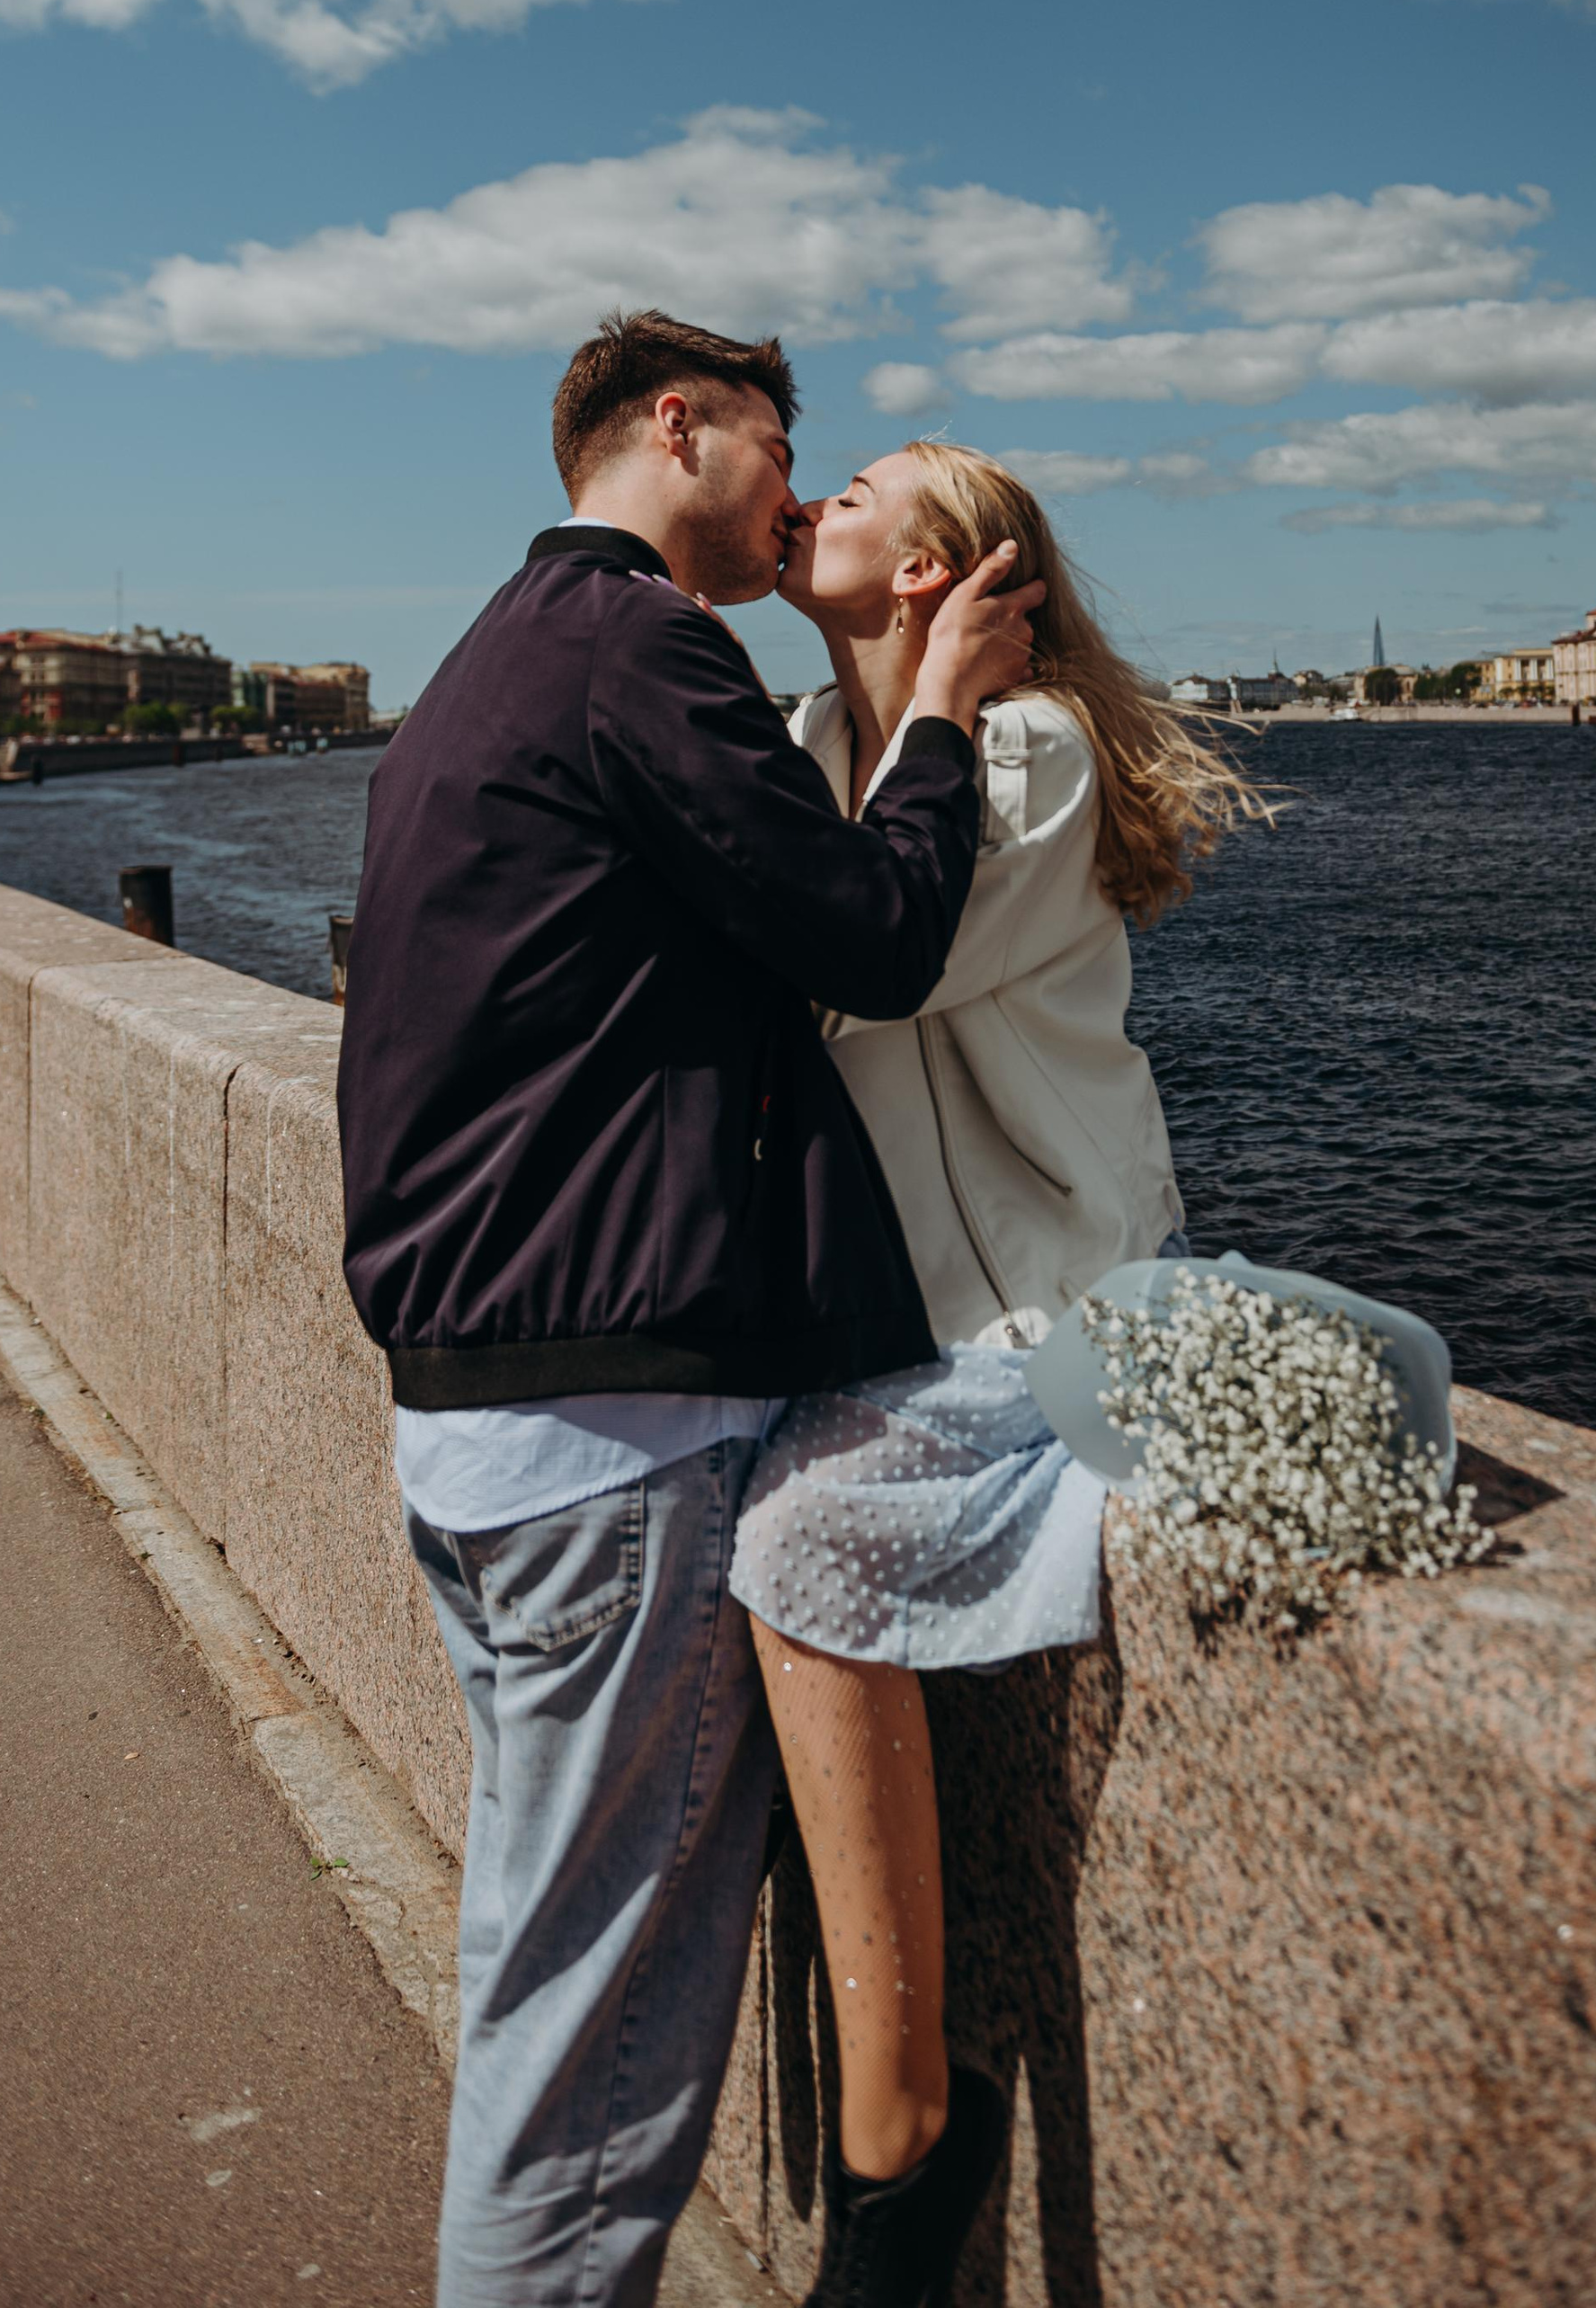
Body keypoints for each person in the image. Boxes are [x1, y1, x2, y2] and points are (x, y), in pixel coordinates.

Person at [335, 316, 1043, 2308]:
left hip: (480, 1421)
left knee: (533, 1994)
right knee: (583, 2110)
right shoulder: (637, 643)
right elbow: (874, 934)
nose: (792, 492)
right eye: (776, 443)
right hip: (618, 1453)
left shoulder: (476, 672)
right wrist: (944, 722)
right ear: (680, 424)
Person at [729, 441, 1263, 2308]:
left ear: (938, 565)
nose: (819, 497)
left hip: (1044, 1310)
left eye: (859, 485)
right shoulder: (808, 734)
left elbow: (877, 966)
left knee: (801, 1543)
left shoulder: (1018, 747)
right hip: (898, 1315)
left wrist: (946, 704)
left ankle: (904, 2144)